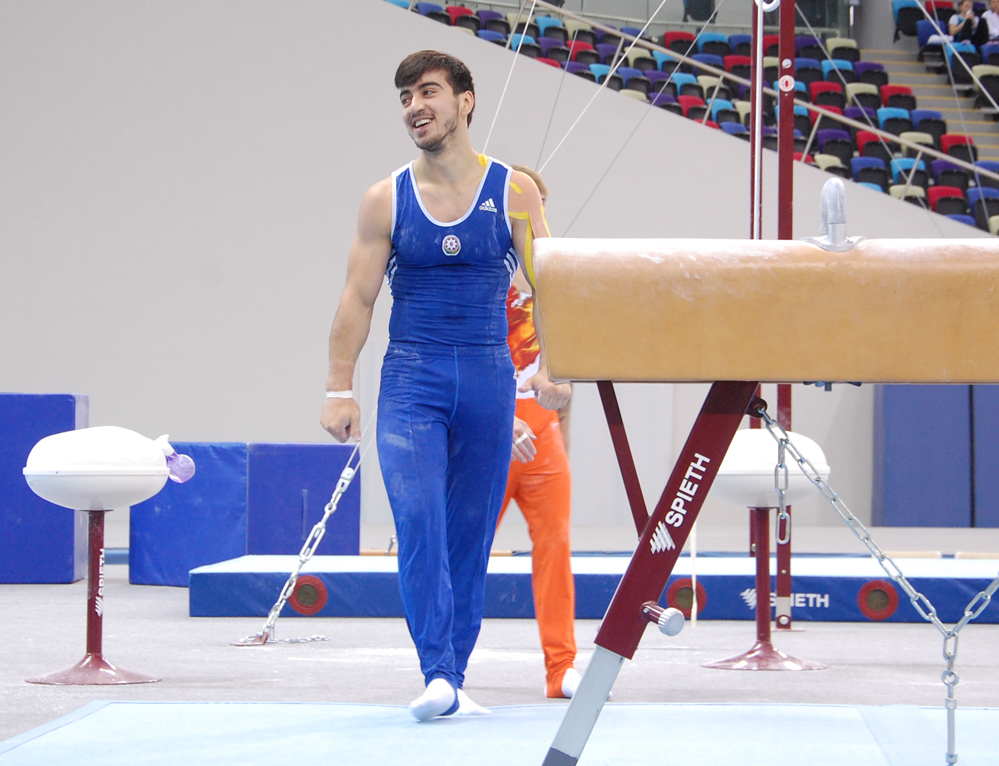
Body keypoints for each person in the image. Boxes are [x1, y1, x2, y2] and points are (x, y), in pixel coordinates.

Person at [319, 50, 570, 722]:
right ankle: (434, 668)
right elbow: (357, 297)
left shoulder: (514, 191)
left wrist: (555, 365)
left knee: (467, 538)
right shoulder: (386, 198)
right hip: (413, 379)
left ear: (466, 100)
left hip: (488, 379)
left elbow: (550, 284)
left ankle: (451, 674)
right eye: (404, 97)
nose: (413, 107)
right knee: (420, 518)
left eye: (427, 92)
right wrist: (338, 386)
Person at [497, 166, 579, 700]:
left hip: (542, 430)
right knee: (468, 549)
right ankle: (445, 665)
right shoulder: (482, 271)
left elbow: (564, 352)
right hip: (492, 426)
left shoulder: (553, 279)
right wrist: (503, 415)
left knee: (555, 544)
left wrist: (561, 379)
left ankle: (562, 668)